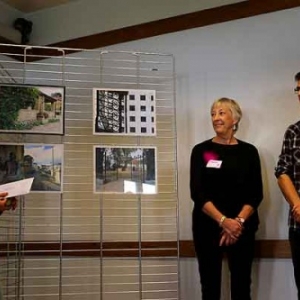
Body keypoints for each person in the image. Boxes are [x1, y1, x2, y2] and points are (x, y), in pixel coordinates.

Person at [190, 97, 263, 300]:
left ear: (235, 119)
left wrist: (237, 222)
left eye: (222, 112)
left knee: (241, 287)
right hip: (207, 227)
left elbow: (256, 193)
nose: (216, 118)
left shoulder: (249, 152)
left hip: (242, 228)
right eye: (213, 113)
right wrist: (223, 221)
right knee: (210, 287)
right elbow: (197, 192)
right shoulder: (202, 151)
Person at [275, 71, 300, 300]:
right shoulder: (293, 131)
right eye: (299, 89)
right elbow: (282, 171)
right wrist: (298, 204)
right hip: (299, 224)